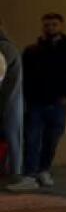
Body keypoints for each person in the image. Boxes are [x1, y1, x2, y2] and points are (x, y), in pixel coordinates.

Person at [8, 13, 66, 191]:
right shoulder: (32, 51)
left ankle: (44, 170)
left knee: (52, 138)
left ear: (62, 26)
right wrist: (25, 99)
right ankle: (29, 175)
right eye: (47, 25)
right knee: (32, 139)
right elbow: (23, 77)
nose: (50, 28)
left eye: (54, 24)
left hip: (58, 103)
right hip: (36, 103)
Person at [0, 18, 23, 180]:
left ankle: (13, 174)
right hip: (10, 101)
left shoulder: (4, 47)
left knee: (9, 137)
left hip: (6, 101)